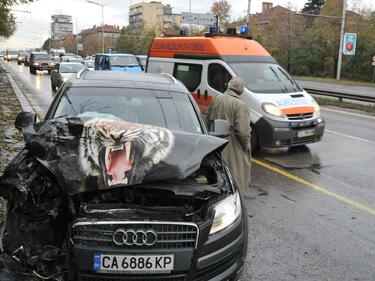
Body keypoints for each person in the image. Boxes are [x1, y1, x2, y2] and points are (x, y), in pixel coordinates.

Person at [207, 77, 251, 192]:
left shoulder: (216, 99)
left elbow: (207, 121)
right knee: (234, 177)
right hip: (232, 147)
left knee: (218, 173)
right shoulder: (241, 105)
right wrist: (246, 146)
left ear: (228, 86)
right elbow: (243, 131)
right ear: (241, 91)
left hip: (215, 144)